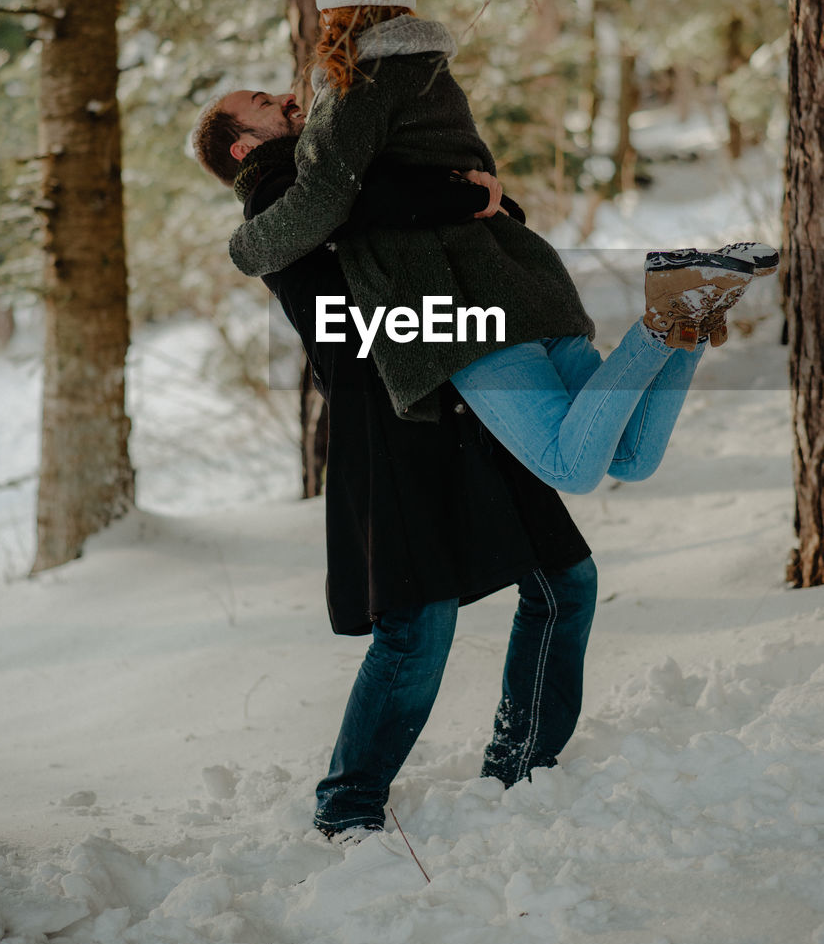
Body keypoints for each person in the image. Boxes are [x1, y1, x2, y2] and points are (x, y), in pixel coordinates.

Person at [223, 0, 778, 496]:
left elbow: (323, 199)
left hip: (459, 308)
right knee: (632, 457)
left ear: (334, 13)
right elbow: (478, 176)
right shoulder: (434, 77)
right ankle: (691, 315)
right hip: (521, 278)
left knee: (571, 467)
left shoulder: (353, 83)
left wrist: (246, 247)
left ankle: (667, 316)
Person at [192, 107, 598, 839]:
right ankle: (347, 804)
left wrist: (485, 201)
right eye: (267, 105)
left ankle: (524, 762)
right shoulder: (278, 194)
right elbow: (381, 207)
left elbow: (449, 221)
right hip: (390, 418)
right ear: (244, 145)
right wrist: (467, 196)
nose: (289, 102)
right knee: (417, 623)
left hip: (463, 387)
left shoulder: (342, 168)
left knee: (565, 581)